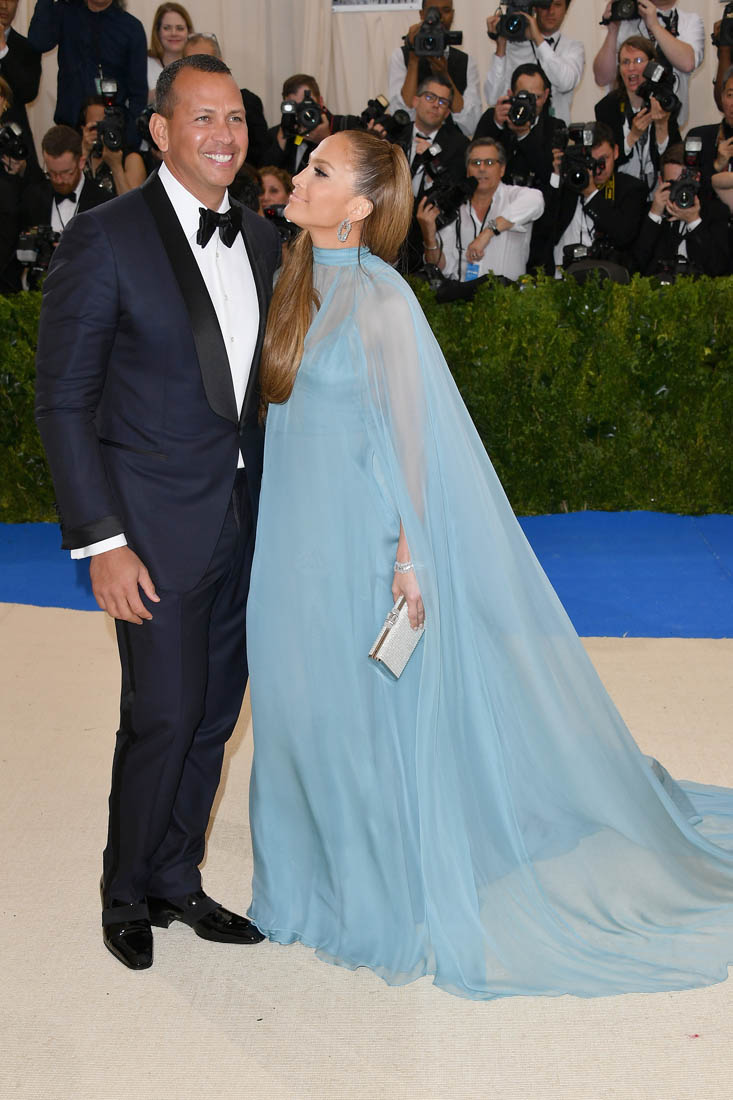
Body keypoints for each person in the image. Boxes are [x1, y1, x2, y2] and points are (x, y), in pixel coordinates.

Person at [245, 125, 733, 1001]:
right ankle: (302, 883)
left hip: (358, 538)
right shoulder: (295, 276)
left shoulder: (384, 300)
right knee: (293, 702)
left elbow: (410, 437)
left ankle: (371, 894)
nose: (298, 180)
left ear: (359, 205)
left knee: (358, 715)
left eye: (319, 171)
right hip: (290, 538)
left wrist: (410, 556)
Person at [34, 54, 280, 971]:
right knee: (164, 715)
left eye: (235, 118)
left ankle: (178, 877)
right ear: (162, 131)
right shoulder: (104, 238)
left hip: (245, 521)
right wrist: (102, 541)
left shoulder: (262, 240)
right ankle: (126, 890)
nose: (223, 134)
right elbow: (63, 401)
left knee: (215, 716)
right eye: (202, 117)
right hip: (149, 530)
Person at [416, 137, 544, 280]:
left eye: (489, 163)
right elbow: (442, 268)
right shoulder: (455, 205)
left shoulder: (515, 197)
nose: (482, 169)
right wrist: (429, 238)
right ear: (467, 170)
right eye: (475, 163)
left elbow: (537, 200)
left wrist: (488, 232)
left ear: (502, 169)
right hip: (461, 292)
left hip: (506, 292)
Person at [28, 0, 148, 150]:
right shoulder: (66, 13)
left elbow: (138, 94)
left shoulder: (131, 28)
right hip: (69, 130)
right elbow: (38, 42)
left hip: (112, 133)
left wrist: (128, 142)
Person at [534, 121, 647, 275]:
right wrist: (556, 175)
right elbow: (543, 228)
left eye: (603, 159)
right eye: (590, 161)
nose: (598, 169)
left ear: (615, 152)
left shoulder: (631, 189)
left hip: (606, 276)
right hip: (560, 275)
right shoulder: (569, 184)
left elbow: (623, 235)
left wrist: (591, 193)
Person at [592, 0, 704, 128]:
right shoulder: (626, 18)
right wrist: (612, 30)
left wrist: (654, 25)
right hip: (624, 125)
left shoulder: (690, 21)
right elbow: (602, 78)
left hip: (669, 124)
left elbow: (687, 63)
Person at [594, 35, 680, 196]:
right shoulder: (607, 107)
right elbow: (604, 162)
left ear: (652, 65)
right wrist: (632, 137)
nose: (631, 68)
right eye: (625, 62)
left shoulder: (665, 101)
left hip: (658, 192)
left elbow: (674, 159)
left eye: (638, 61)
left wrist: (661, 127)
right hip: (620, 192)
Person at [633, 143, 731, 276]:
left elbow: (719, 268)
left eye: (684, 183)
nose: (679, 190)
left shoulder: (716, 211)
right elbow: (636, 266)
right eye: (672, 184)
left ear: (697, 179)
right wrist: (655, 214)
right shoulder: (649, 212)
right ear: (661, 181)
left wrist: (694, 222)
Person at [388, 0, 481, 138]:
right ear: (422, 14)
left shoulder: (466, 61)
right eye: (433, 11)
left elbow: (470, 125)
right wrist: (413, 60)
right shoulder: (401, 56)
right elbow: (401, 115)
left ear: (453, 15)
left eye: (446, 11)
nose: (439, 17)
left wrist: (444, 75)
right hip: (410, 143)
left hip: (451, 145)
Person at [484, 0, 584, 125]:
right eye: (545, 5)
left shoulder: (573, 48)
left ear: (566, 10)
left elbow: (565, 83)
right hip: (516, 130)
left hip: (555, 132)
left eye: (557, 5)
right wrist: (501, 45)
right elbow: (493, 98)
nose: (551, 11)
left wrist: (538, 39)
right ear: (535, 8)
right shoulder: (511, 47)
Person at [474, 63, 567, 193]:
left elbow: (549, 174)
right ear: (511, 94)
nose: (530, 104)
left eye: (536, 97)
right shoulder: (494, 118)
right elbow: (473, 161)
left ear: (546, 95)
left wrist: (524, 135)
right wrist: (497, 124)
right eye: (524, 97)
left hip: (537, 199)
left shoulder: (554, 127)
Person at [180, 31, 269, 168]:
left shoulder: (247, 102)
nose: (198, 70)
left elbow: (262, 156)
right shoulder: (176, 105)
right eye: (191, 63)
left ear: (220, 63)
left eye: (234, 119)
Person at [20, 123, 110, 232]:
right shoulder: (33, 198)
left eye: (66, 172)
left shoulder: (104, 204)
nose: (58, 180)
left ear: (81, 163)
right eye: (52, 173)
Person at [0, 0, 41, 170]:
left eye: (10, 0)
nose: (3, 5)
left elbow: (28, 92)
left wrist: (3, 50)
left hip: (14, 148)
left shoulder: (27, 47)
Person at [78, 95, 147, 196]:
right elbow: (68, 187)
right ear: (83, 129)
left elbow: (132, 204)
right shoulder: (76, 158)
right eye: (95, 127)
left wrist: (116, 167)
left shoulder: (131, 159)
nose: (101, 133)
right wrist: (84, 153)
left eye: (105, 126)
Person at [686, 66, 733, 193]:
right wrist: (717, 165)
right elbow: (688, 188)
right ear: (722, 98)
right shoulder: (698, 137)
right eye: (730, 95)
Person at [146, 2, 192, 103]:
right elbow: (135, 102)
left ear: (189, 32)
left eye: (180, 28)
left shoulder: (196, 64)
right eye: (167, 28)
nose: (173, 33)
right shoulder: (144, 64)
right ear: (157, 32)